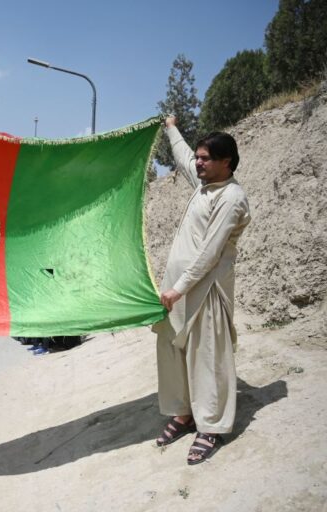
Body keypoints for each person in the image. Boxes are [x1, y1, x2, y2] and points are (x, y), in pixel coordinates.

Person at [153, 116, 251, 465]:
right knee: (172, 351)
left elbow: (210, 253)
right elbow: (181, 156)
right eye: (198, 157)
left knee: (205, 357)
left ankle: (209, 426)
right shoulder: (203, 185)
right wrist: (170, 128)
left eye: (206, 158)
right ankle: (183, 414)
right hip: (176, 293)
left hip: (205, 291)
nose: (198, 162)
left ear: (227, 161)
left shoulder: (231, 197)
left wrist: (179, 288)